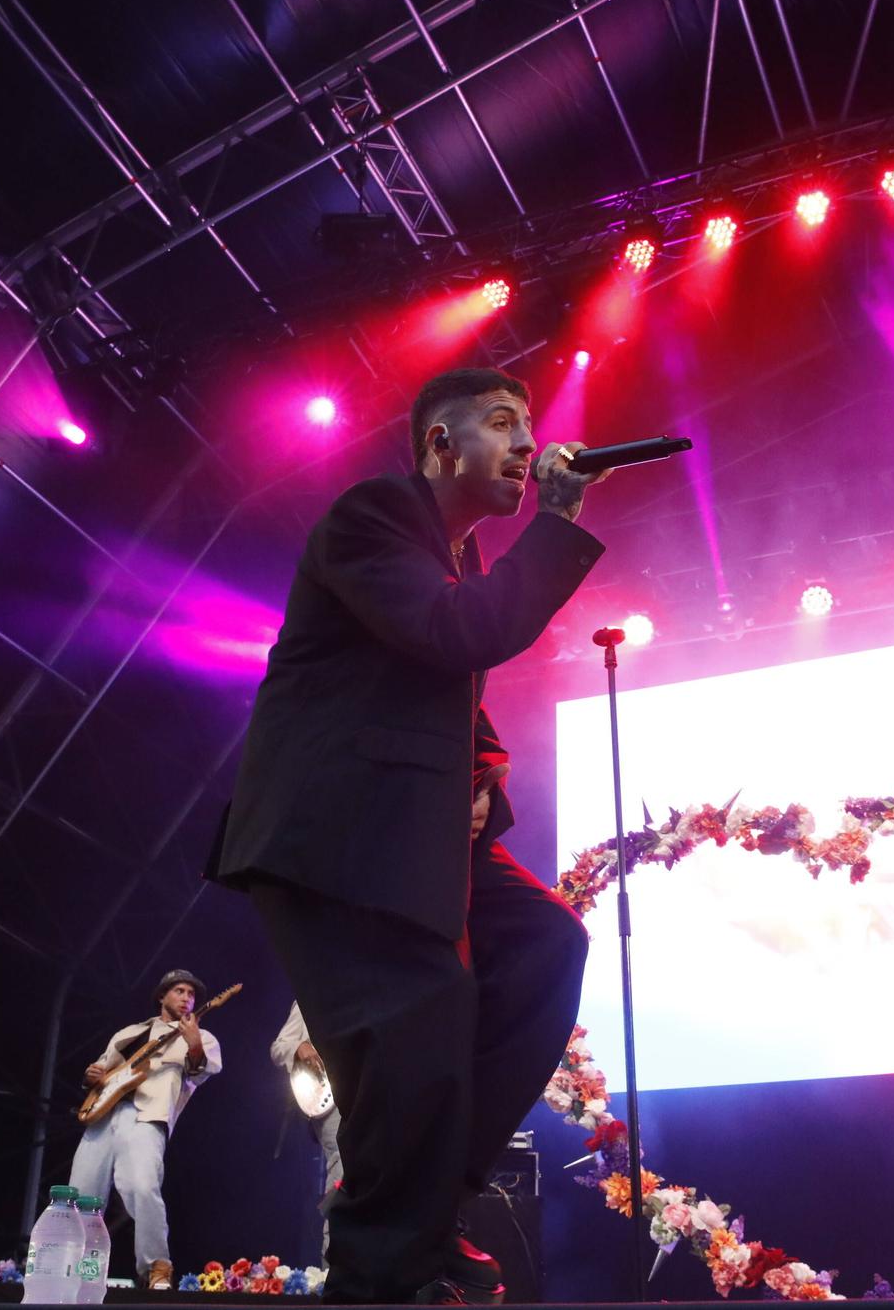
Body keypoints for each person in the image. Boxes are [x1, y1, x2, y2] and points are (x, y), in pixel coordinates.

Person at [211, 366, 604, 1304]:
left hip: (415, 840)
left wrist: (487, 779)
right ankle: (390, 1262)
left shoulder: (456, 559)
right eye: (502, 424)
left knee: (546, 943)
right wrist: (557, 523)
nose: (524, 442)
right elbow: (453, 634)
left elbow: (466, 716)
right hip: (338, 838)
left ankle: (426, 1206)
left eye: (529, 424)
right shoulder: (375, 516)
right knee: (415, 1042)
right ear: (441, 445)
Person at [69, 969, 222, 1291]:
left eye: (191, 994)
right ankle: (83, 1270)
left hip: (147, 1116)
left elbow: (200, 1073)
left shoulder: (200, 1036)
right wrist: (91, 1074)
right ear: (162, 996)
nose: (186, 998)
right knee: (83, 1195)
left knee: (142, 1186)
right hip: (103, 1117)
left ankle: (157, 1267)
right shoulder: (129, 1033)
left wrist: (193, 1044)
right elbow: (101, 1072)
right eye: (179, 991)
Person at [270, 1000, 341, 1260]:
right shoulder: (310, 992)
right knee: (343, 1178)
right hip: (333, 1098)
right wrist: (299, 1046)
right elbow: (280, 1047)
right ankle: (335, 1268)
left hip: (372, 1094)